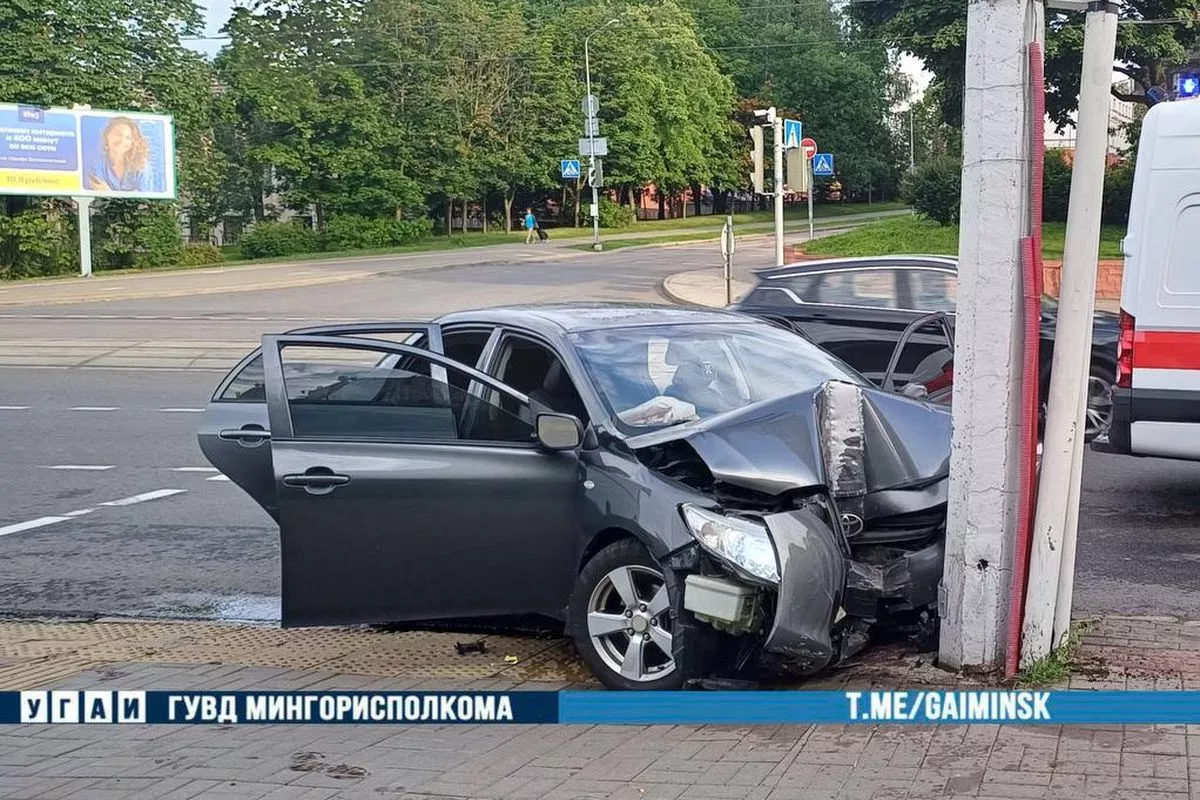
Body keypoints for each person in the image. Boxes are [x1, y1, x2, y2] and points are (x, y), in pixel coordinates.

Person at [85, 117, 151, 193]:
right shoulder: (95, 164)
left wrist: (109, 192)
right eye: (118, 134)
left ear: (133, 142)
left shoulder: (142, 165)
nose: (122, 140)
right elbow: (100, 193)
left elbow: (145, 199)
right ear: (107, 135)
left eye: (128, 137)